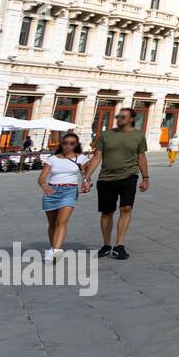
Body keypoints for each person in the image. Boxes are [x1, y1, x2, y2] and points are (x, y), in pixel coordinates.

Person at [81, 107, 148, 260]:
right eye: (118, 117)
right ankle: (106, 245)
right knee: (107, 212)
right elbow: (97, 157)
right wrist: (86, 178)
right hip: (106, 178)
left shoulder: (138, 136)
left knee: (126, 208)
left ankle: (119, 245)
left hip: (129, 176)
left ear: (131, 119)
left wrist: (145, 178)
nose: (119, 119)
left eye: (123, 117)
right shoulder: (105, 135)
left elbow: (141, 158)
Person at [39, 131, 90, 262]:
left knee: (61, 222)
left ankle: (56, 250)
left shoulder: (81, 159)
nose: (68, 146)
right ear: (61, 144)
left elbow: (86, 176)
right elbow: (41, 178)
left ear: (76, 144)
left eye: (72, 143)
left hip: (69, 190)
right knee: (52, 224)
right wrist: (44, 186)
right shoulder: (52, 159)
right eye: (65, 143)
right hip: (52, 191)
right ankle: (53, 248)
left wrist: (87, 183)